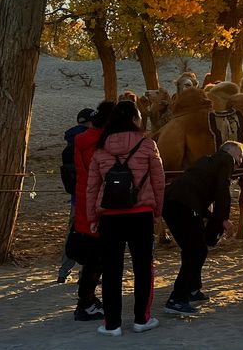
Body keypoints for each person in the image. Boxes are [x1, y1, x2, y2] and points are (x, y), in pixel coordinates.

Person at [86, 100, 165, 337]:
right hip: (140, 215)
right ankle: (142, 319)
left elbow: (92, 186)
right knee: (143, 268)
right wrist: (158, 212)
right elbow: (159, 182)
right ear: (135, 118)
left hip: (110, 216)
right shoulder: (148, 145)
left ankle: (112, 324)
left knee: (111, 271)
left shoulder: (101, 149)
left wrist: (92, 216)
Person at [162, 141, 243, 315]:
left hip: (171, 202)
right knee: (196, 250)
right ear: (229, 152)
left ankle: (192, 288)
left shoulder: (206, 162)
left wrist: (212, 217)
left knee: (192, 248)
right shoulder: (225, 160)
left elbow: (196, 191)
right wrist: (223, 219)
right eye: (239, 156)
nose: (240, 161)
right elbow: (223, 191)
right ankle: (177, 299)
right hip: (183, 206)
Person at [70, 101, 115, 321]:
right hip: (97, 207)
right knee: (96, 259)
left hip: (84, 204)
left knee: (94, 257)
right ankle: (85, 303)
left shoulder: (83, 141)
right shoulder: (98, 145)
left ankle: (87, 300)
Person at [57, 107, 94, 283]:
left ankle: (63, 272)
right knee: (92, 235)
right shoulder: (91, 141)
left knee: (73, 235)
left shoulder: (70, 144)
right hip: (92, 196)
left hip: (75, 198)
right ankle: (85, 273)